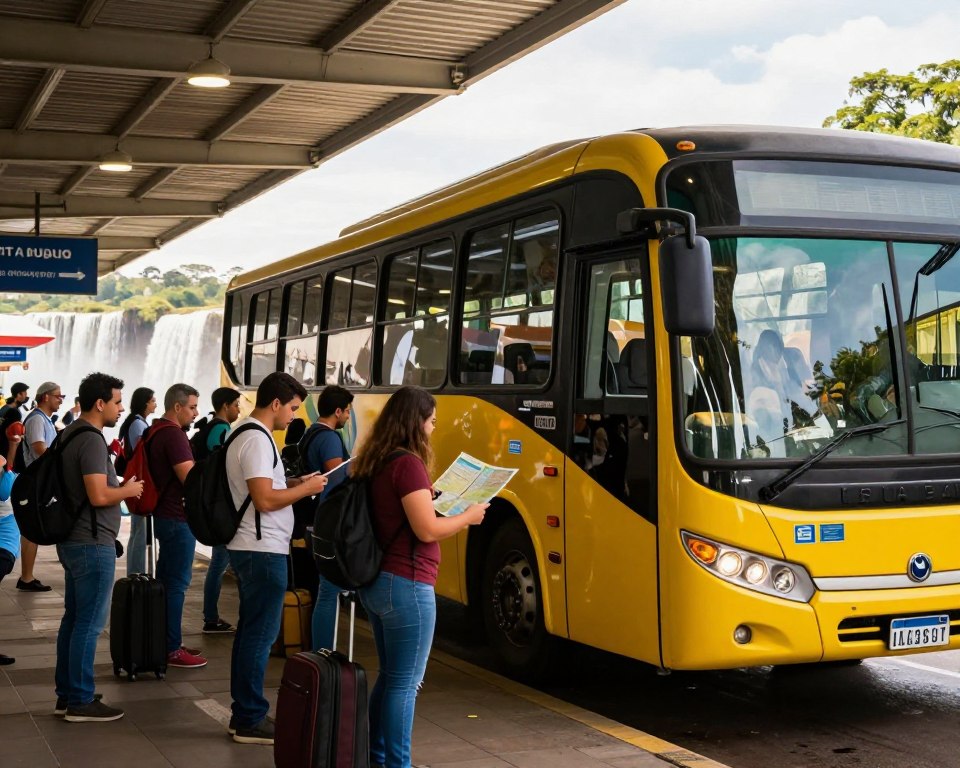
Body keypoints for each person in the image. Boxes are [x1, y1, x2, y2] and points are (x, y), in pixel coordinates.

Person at [354, 386, 487, 768]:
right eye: (430, 421)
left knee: (391, 677)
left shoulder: (376, 459)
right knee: (404, 684)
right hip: (407, 584)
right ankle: (398, 763)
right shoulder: (407, 464)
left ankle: (378, 758)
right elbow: (427, 530)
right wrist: (468, 517)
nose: (432, 429)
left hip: (380, 582)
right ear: (415, 422)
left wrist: (435, 496)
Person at [224, 372, 328, 745]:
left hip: (258, 545)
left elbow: (265, 491)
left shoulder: (250, 433)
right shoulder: (255, 438)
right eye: (293, 408)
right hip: (260, 548)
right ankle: (250, 717)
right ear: (275, 404)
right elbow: (265, 500)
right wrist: (308, 491)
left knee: (252, 632)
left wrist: (298, 484)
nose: (294, 416)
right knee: (260, 636)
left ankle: (245, 712)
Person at [54, 372, 144, 722]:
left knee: (74, 620)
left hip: (74, 541)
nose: (122, 409)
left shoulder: (69, 434)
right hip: (91, 544)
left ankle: (68, 693)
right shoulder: (91, 440)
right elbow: (98, 494)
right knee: (89, 624)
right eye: (118, 402)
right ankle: (80, 699)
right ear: (100, 403)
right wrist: (128, 490)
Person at [146, 383, 206, 669]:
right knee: (176, 586)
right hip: (177, 517)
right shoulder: (174, 435)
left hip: (164, 515)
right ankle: (171, 648)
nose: (196, 413)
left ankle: (166, 642)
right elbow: (190, 480)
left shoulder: (155, 430)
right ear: (178, 406)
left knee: (167, 583)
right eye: (192, 407)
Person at [301, 385, 354, 652]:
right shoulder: (331, 439)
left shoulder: (312, 432)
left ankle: (319, 650)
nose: (348, 417)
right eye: (347, 412)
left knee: (324, 589)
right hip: (329, 520)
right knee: (328, 591)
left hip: (314, 517)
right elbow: (337, 477)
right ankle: (322, 651)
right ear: (337, 411)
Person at [199, 386, 242, 634]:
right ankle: (211, 617)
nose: (238, 409)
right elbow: (221, 465)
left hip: (211, 502)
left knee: (222, 561)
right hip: (219, 505)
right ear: (225, 406)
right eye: (236, 405)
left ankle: (211, 616)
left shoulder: (210, 426)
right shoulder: (221, 428)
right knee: (219, 562)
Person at [18, 381, 63, 592]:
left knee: (32, 528)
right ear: (45, 397)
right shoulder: (37, 419)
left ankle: (27, 576)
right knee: (31, 529)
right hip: (36, 481)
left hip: (41, 480)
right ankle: (26, 578)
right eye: (57, 396)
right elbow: (38, 449)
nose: (60, 400)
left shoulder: (44, 419)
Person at [117, 387, 157, 576]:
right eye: (153, 400)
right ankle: (136, 572)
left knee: (138, 529)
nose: (155, 404)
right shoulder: (138, 425)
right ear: (145, 403)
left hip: (134, 479)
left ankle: (135, 571)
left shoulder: (134, 422)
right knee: (140, 530)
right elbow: (143, 455)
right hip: (139, 481)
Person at [0, 427, 22, 665]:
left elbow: (8, 468)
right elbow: (8, 470)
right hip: (3, 551)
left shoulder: (5, 480)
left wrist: (13, 444)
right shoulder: (6, 488)